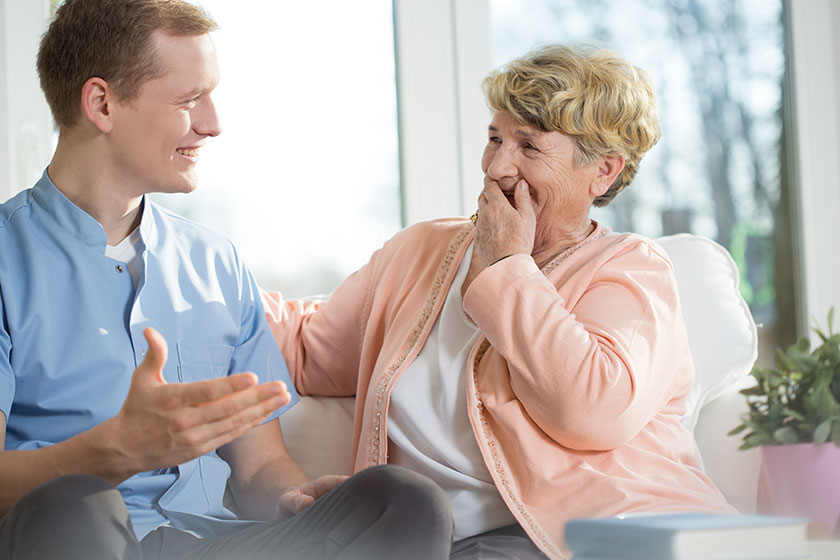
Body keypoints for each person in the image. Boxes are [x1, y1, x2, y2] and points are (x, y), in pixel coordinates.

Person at [0, 1, 452, 559]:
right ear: (101, 103)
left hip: (211, 545)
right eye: (190, 100)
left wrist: (291, 497)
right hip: (73, 539)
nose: (213, 123)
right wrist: (111, 452)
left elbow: (260, 463)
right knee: (75, 504)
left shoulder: (215, 262)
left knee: (404, 502)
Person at [263, 44, 736, 560]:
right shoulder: (421, 252)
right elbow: (310, 352)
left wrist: (509, 267)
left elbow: (592, 411)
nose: (497, 167)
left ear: (603, 171)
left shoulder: (632, 270)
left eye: (528, 147)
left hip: (598, 534)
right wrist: (200, 286)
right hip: (430, 538)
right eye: (495, 138)